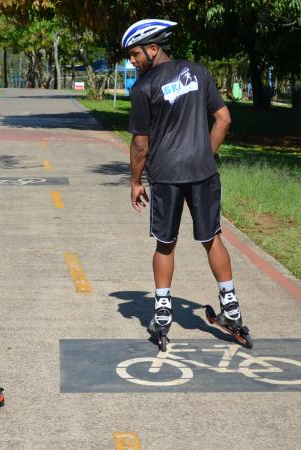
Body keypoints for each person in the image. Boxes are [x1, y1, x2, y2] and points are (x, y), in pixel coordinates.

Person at [122, 19, 243, 344]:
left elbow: (140, 144)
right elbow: (224, 118)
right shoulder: (198, 72)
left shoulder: (143, 89)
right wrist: (205, 152)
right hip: (203, 172)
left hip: (167, 176)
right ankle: (230, 305)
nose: (131, 61)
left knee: (165, 242)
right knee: (212, 237)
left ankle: (162, 311)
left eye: (134, 54)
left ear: (152, 48)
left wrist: (135, 181)